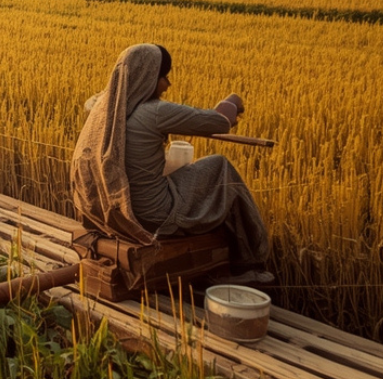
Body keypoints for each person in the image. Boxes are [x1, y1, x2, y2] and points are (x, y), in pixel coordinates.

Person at [70, 43, 272, 283]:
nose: (168, 84)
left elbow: (92, 101)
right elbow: (219, 122)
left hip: (110, 210)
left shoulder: (103, 106)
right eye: (164, 76)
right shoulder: (153, 112)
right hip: (152, 214)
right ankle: (248, 263)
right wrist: (233, 101)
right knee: (219, 166)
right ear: (148, 77)